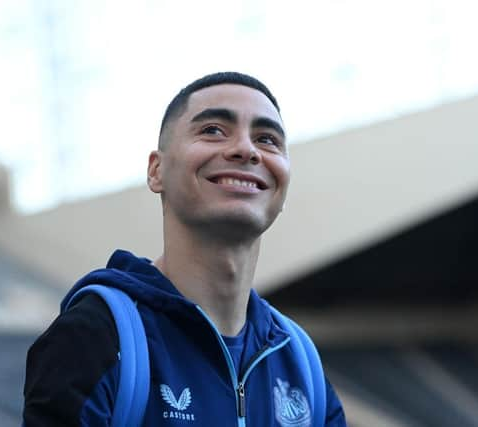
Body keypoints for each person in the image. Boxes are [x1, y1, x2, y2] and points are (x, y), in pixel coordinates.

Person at [23, 72, 347, 426]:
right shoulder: (94, 336)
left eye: (267, 139)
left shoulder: (299, 360)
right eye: (213, 130)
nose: (246, 149)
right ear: (156, 171)